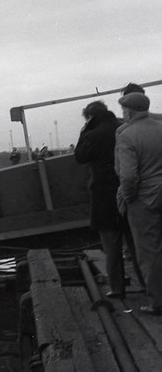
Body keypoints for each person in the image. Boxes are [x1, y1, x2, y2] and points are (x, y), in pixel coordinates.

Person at [74, 100, 128, 298]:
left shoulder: (93, 135)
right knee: (137, 245)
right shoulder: (124, 127)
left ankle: (118, 288)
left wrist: (84, 131)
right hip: (131, 191)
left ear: (90, 117)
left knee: (111, 245)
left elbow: (80, 156)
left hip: (105, 195)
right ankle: (151, 287)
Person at [115, 92, 162, 314]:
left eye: (124, 111)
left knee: (149, 252)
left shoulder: (127, 135)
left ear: (130, 111)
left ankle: (158, 301)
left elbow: (128, 176)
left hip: (144, 199)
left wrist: (128, 197)